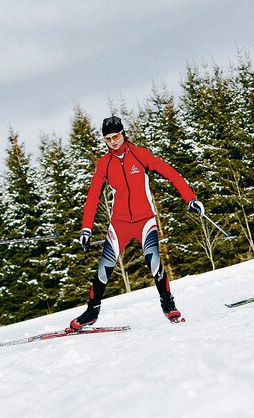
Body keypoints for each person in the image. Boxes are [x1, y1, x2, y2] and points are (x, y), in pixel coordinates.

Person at [72, 116, 203, 328]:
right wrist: (86, 228)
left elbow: (172, 174)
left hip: (145, 220)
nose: (113, 141)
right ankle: (91, 312)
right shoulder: (104, 163)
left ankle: (169, 305)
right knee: (104, 267)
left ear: (123, 133)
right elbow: (92, 197)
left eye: (116, 136)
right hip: (120, 223)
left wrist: (191, 199)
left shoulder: (141, 155)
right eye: (108, 139)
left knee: (153, 261)